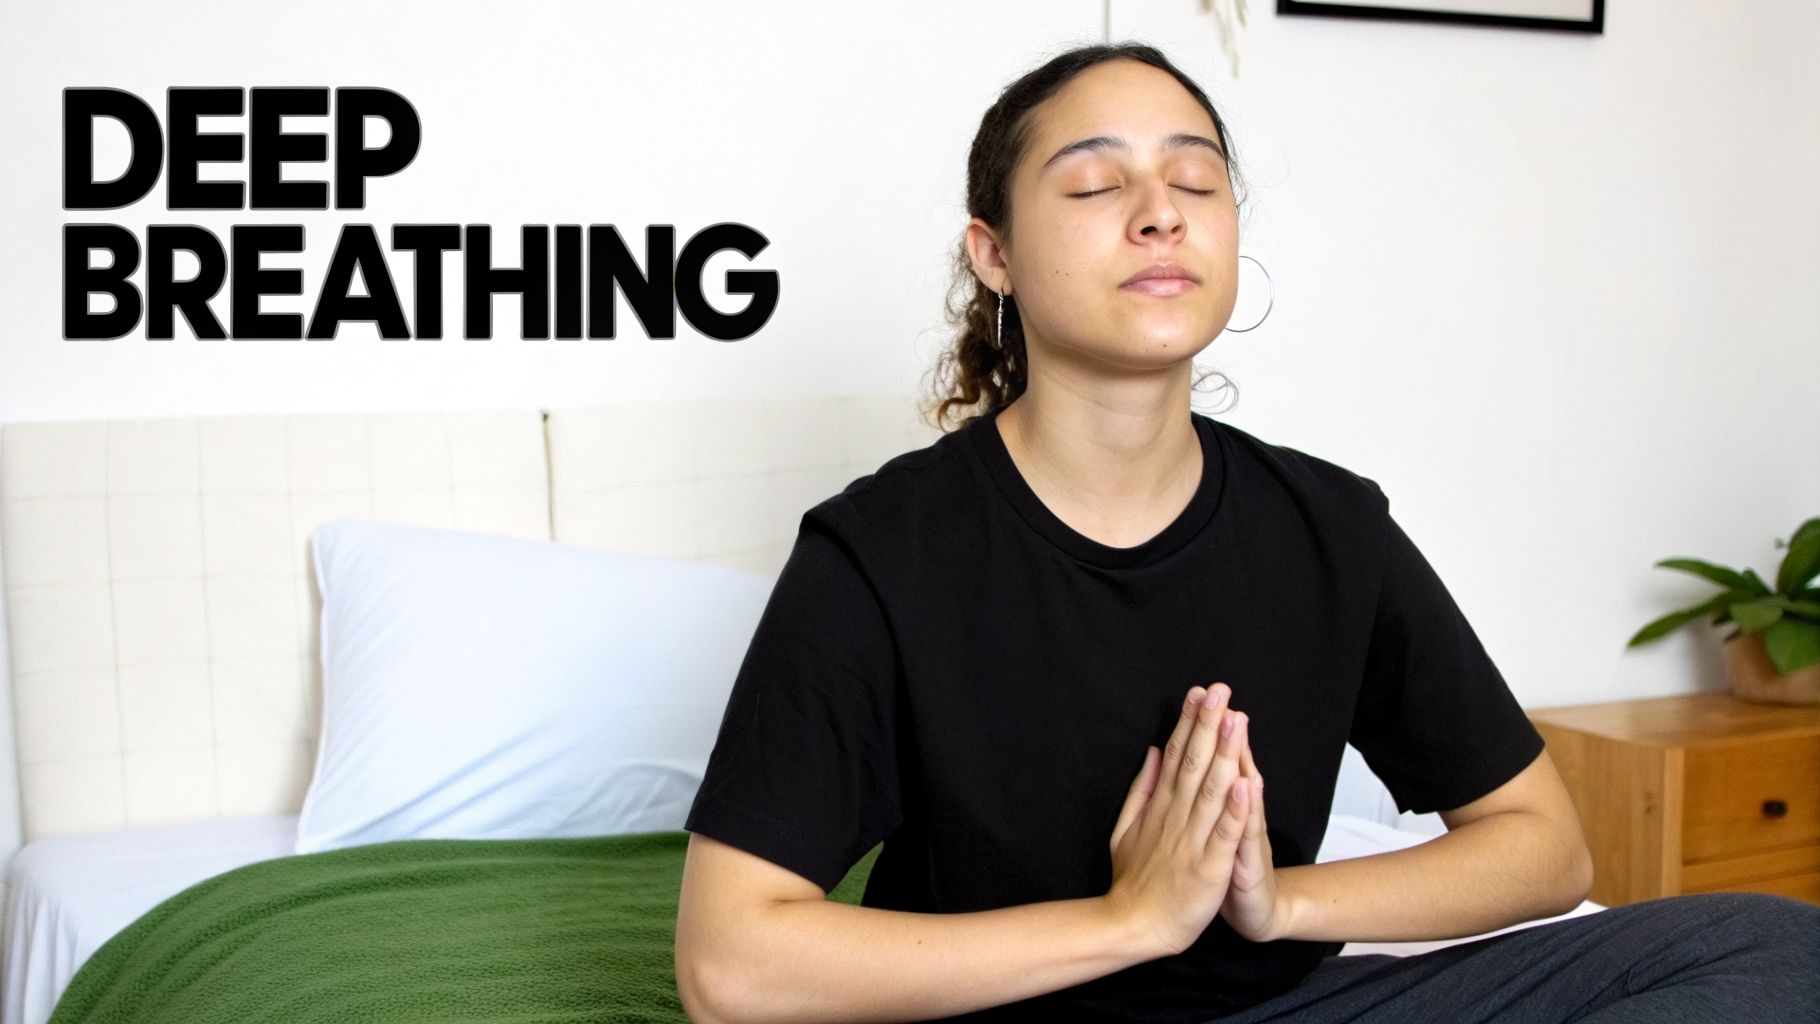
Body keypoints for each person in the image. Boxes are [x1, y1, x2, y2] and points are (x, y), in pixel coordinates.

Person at [672, 41, 1820, 1024]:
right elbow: (729, 963)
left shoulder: (1327, 528)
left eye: (1194, 178)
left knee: (1772, 950)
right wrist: (1125, 922)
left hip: (1278, 1006)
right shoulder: (881, 553)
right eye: (1091, 185)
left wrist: (1279, 902)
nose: (1160, 209)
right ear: (994, 255)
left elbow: (1542, 844)